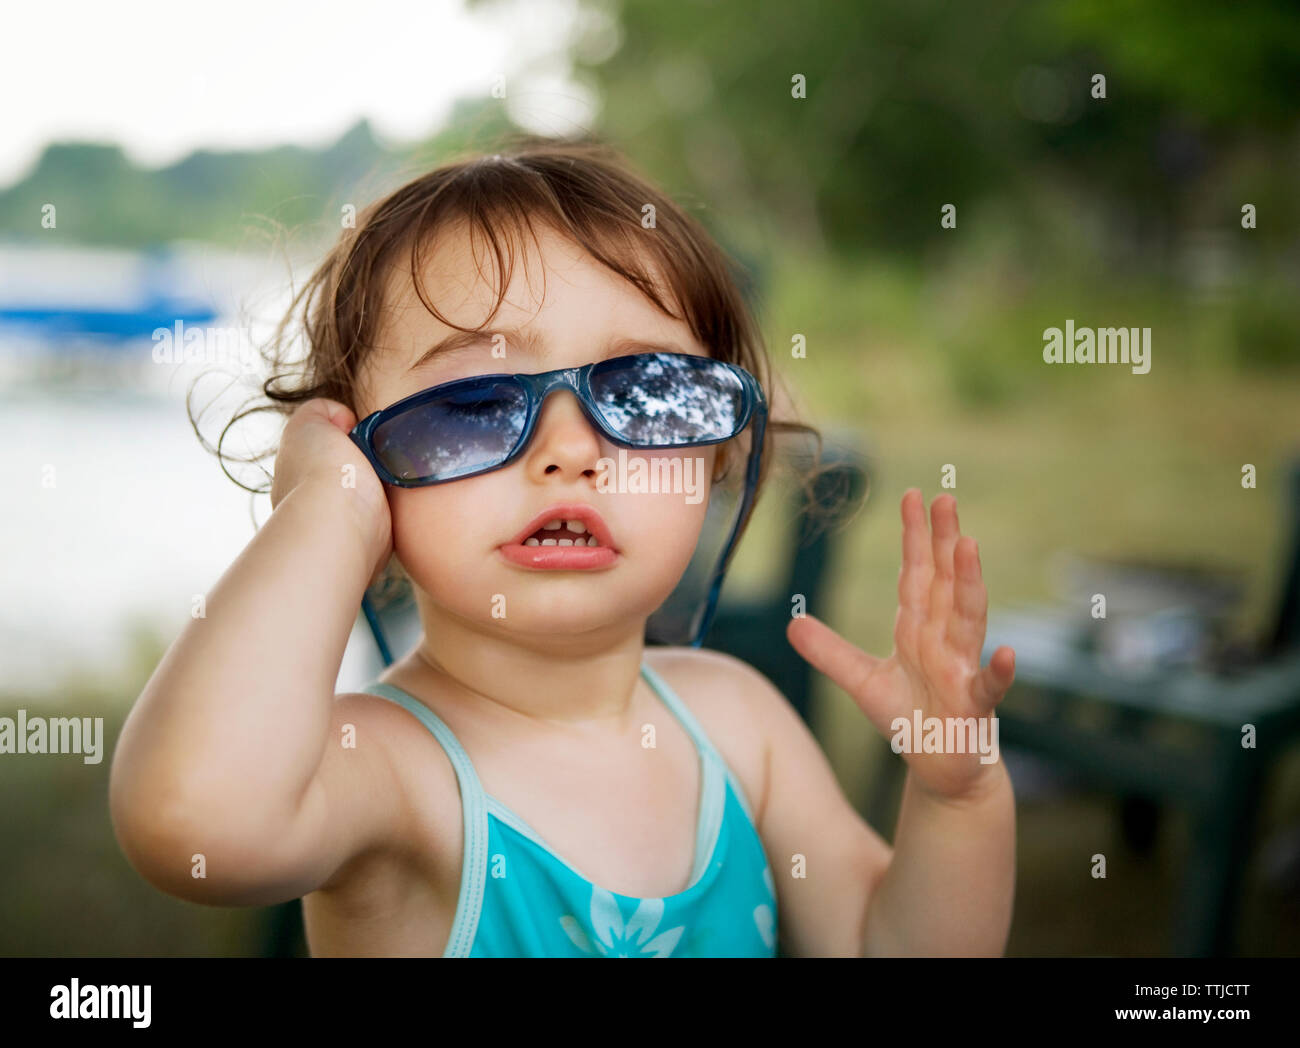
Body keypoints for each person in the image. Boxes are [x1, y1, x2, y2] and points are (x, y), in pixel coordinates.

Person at [109, 138, 1017, 957]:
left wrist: (956, 798)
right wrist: (325, 514)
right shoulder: (392, 773)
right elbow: (195, 823)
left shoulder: (742, 731)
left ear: (715, 459)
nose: (571, 450)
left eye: (648, 391)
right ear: (368, 467)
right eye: (472, 405)